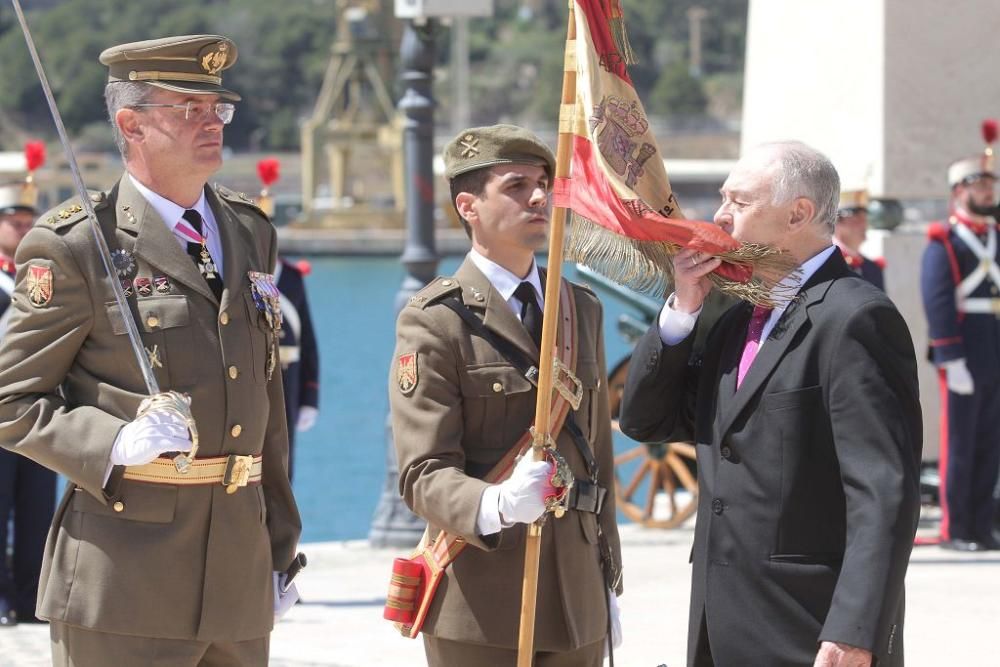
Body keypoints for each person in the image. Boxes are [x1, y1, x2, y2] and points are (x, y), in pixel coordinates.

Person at [0, 35, 301, 664]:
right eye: (187, 107)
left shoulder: (250, 231)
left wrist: (279, 547)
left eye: (217, 108)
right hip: (127, 583)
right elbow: (10, 398)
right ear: (131, 123)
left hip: (238, 578)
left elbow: (265, 396)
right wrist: (111, 442)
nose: (211, 121)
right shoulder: (78, 245)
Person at [620, 141, 922, 667]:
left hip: (809, 626)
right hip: (722, 622)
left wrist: (856, 628)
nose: (720, 215)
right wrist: (682, 312)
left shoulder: (855, 318)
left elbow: (883, 492)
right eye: (722, 198)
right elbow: (648, 421)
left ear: (797, 214)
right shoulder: (735, 316)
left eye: (739, 201)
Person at [389, 124, 623, 666]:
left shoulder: (579, 309)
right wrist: (494, 504)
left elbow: (599, 462)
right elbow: (422, 472)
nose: (540, 196)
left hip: (576, 600)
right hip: (482, 605)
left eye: (543, 182)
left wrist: (607, 578)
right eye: (517, 185)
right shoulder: (437, 321)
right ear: (468, 205)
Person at [920, 150, 1000, 552]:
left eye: (990, 185)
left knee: (991, 444)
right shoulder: (944, 240)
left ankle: (983, 526)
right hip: (965, 352)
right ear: (958, 192)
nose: (988, 192)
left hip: (996, 350)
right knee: (961, 444)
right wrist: (951, 357)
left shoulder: (996, 235)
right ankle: (957, 529)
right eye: (979, 185)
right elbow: (937, 301)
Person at [0, 180, 57, 627]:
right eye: (13, 222)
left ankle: (29, 597)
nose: (21, 229)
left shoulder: (42, 276)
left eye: (26, 223)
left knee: (37, 509)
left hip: (38, 410)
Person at [275, 257, 319, 480]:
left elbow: (308, 342)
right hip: (253, 373)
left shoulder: (293, 277)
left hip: (288, 376)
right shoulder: (243, 271)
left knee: (286, 445)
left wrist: (310, 398)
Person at [834, 189, 885, 289]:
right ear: (837, 222)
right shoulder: (826, 263)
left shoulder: (872, 268)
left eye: (865, 218)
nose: (864, 225)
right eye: (857, 219)